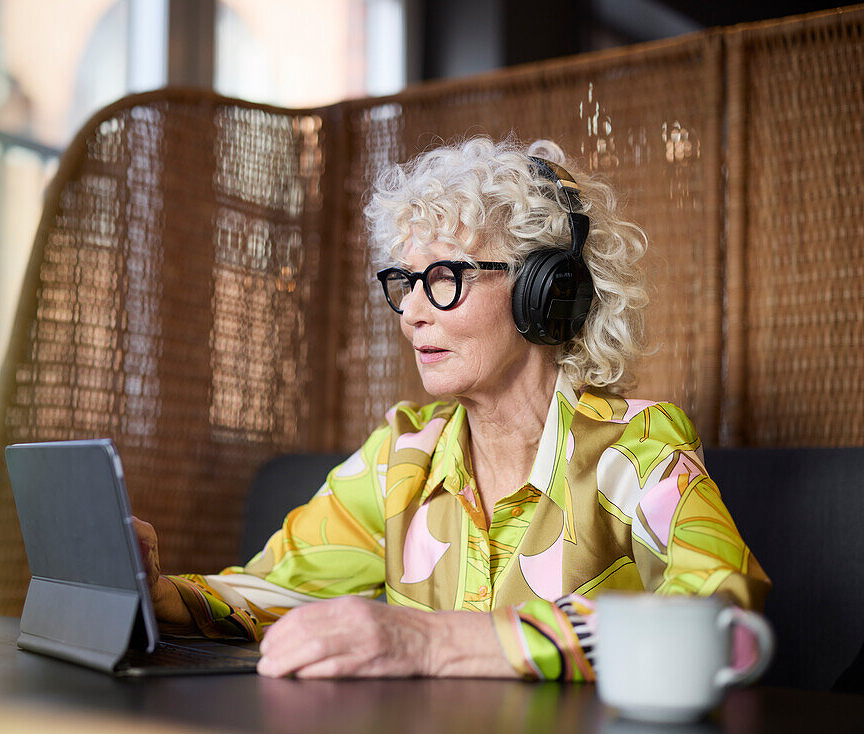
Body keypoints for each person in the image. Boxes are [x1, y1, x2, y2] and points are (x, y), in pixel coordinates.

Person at [133, 136, 770, 680]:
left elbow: (724, 621)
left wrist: (433, 642)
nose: (411, 313)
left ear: (541, 292)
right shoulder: (402, 456)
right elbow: (279, 587)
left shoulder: (636, 446)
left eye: (444, 279)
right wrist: (158, 593)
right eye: (405, 283)